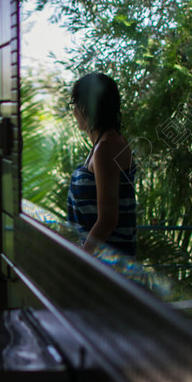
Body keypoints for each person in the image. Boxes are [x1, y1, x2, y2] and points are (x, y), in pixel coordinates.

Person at [66, 73, 137, 256]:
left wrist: (82, 258)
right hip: (105, 264)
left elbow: (107, 220)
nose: (73, 112)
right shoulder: (106, 144)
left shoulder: (105, 148)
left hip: (106, 266)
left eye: (75, 104)